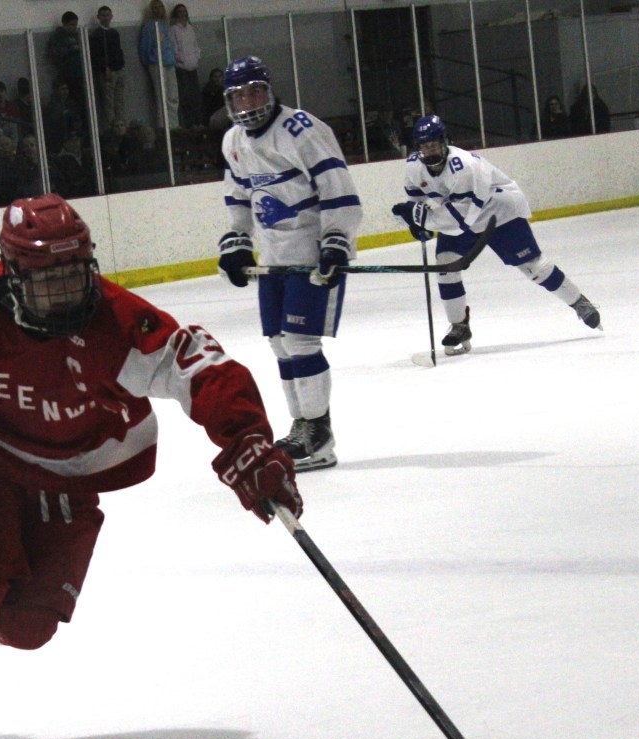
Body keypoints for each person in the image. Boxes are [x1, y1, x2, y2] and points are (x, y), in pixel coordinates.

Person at [0, 192, 302, 739]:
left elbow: (200, 368)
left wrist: (248, 439)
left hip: (70, 474)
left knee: (27, 628)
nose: (64, 295)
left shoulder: (117, 321)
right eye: (47, 281)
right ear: (12, 274)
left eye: (73, 276)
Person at [217, 56, 360, 472]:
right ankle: (302, 426)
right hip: (274, 259)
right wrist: (237, 243)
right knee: (280, 343)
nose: (248, 102)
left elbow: (337, 187)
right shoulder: (233, 141)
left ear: (269, 90)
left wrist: (336, 242)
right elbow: (238, 197)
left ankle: (319, 433)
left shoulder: (301, 129)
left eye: (255, 92)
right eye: (239, 96)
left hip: (309, 254)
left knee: (300, 342)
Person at [391, 114, 600, 356]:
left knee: (534, 267)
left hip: (498, 211)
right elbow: (417, 200)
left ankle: (579, 302)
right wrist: (417, 222)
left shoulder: (464, 167)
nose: (430, 150)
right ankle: (459, 326)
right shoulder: (414, 166)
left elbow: (460, 221)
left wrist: (421, 217)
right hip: (461, 214)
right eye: (425, 146)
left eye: (434, 144)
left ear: (445, 142)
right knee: (445, 265)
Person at [139, 0, 178, 130]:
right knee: (162, 96)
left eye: (160, 7)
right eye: (155, 7)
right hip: (156, 63)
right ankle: (164, 126)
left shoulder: (166, 24)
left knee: (173, 96)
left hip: (169, 62)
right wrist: (149, 61)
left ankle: (174, 124)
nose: (158, 10)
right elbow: (145, 47)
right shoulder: (149, 26)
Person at [89, 6, 126, 129]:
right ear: (98, 17)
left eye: (108, 15)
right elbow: (97, 55)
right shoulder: (96, 35)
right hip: (107, 72)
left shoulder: (114, 33)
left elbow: (118, 50)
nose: (106, 18)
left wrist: (122, 65)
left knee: (119, 101)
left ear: (111, 16)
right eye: (103, 15)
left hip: (119, 69)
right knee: (109, 103)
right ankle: (112, 128)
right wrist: (105, 68)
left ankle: (121, 127)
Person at [47, 11, 87, 118]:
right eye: (71, 25)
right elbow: (55, 54)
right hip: (67, 76)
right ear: (64, 24)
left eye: (75, 25)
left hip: (80, 75)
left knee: (82, 103)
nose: (74, 27)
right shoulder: (57, 37)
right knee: (71, 104)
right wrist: (71, 49)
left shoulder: (77, 36)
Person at [169, 4, 202, 129]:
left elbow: (195, 45)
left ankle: (197, 121)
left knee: (195, 95)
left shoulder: (190, 28)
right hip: (181, 68)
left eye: (184, 11)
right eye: (180, 12)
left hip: (193, 66)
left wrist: (196, 57)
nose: (182, 14)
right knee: (185, 96)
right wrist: (182, 59)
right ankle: (187, 123)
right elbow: (174, 48)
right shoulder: (173, 29)